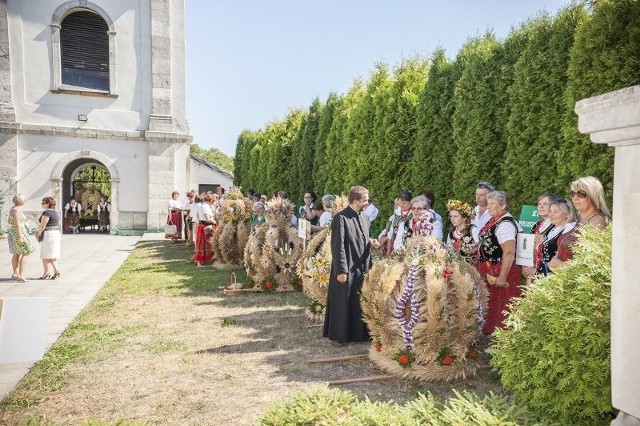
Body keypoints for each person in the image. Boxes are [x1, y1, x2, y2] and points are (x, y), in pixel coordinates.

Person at [323, 185, 380, 346]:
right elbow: (338, 245)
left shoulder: (365, 217)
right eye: (365, 201)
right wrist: (341, 270)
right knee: (343, 301)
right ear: (355, 201)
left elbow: (361, 237)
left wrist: (372, 242)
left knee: (358, 300)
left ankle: (359, 334)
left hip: (362, 266)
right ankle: (338, 336)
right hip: (347, 267)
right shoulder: (341, 218)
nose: (367, 203)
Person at [477, 190, 521, 334]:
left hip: (501, 270)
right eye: (488, 203)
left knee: (502, 304)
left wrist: (502, 277)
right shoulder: (495, 219)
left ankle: (502, 338)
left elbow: (509, 251)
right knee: (492, 304)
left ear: (503, 205)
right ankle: (491, 335)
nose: (488, 206)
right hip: (490, 269)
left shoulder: (505, 224)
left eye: (493, 204)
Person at [548, 176, 611, 270]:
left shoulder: (597, 221)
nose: (575, 198)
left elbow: (593, 263)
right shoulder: (580, 218)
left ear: (593, 195)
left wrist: (558, 264)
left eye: (581, 194)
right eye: (573, 193)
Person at [531, 198, 576, 277]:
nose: (551, 214)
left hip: (556, 279)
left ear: (567, 214)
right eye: (550, 211)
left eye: (555, 211)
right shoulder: (553, 229)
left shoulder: (570, 231)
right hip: (543, 278)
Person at [521, 193, 556, 281]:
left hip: (546, 275)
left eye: (545, 204)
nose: (541, 206)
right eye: (539, 204)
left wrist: (536, 270)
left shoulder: (555, 227)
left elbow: (552, 254)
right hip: (531, 273)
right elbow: (527, 249)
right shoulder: (536, 225)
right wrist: (525, 267)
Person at [8, 194, 34, 282]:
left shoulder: (12, 209)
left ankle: (15, 273)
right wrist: (20, 237)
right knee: (25, 252)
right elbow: (17, 224)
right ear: (21, 201)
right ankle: (21, 274)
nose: (25, 201)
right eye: (24, 199)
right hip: (19, 233)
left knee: (16, 253)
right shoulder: (17, 210)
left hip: (13, 233)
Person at [377, 190, 412, 255]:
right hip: (394, 243)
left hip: (407, 243)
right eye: (399, 203)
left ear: (410, 202)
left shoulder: (412, 213)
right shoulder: (397, 213)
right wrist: (388, 254)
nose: (401, 205)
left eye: (404, 203)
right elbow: (392, 233)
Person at [36, 196, 61, 280]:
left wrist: (38, 234)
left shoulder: (46, 213)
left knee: (46, 254)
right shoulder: (56, 212)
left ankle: (50, 272)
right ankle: (51, 272)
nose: (42, 204)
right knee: (51, 254)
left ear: (48, 204)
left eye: (43, 203)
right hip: (55, 233)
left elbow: (43, 225)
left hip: (49, 234)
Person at [445, 199, 477, 265]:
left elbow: (481, 247)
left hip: (474, 270)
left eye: (455, 216)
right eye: (451, 216)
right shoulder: (451, 232)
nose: (452, 219)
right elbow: (448, 250)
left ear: (464, 218)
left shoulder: (473, 230)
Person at [193, 194, 215, 266]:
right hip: (205, 226)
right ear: (210, 201)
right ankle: (199, 262)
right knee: (202, 245)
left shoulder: (203, 206)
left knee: (204, 244)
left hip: (203, 226)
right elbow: (208, 218)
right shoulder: (205, 207)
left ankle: (202, 261)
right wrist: (213, 221)